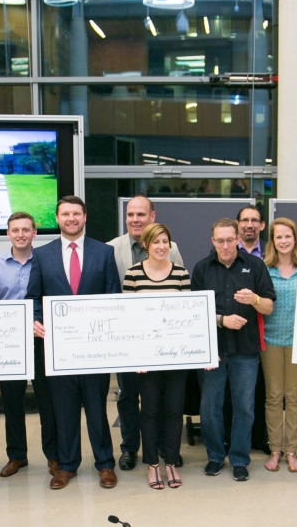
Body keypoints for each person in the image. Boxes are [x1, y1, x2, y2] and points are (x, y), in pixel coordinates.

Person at [27, 196, 122, 490]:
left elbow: (113, 299)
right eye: (65, 214)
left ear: (84, 217)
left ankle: (105, 464)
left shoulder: (103, 253)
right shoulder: (41, 255)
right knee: (64, 410)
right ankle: (66, 466)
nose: (71, 218)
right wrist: (36, 320)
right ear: (57, 218)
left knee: (96, 408)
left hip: (94, 349)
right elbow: (33, 298)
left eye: (76, 213)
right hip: (58, 350)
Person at [191, 218, 276, 482]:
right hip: (212, 351)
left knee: (244, 408)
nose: (226, 245)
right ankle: (215, 456)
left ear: (238, 239)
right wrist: (220, 320)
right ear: (212, 240)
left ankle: (239, 459)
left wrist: (255, 300)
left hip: (245, 352)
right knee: (210, 408)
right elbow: (193, 312)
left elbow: (269, 307)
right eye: (220, 240)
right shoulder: (202, 268)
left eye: (230, 240)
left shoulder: (255, 265)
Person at [106, 195, 185, 472]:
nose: (135, 219)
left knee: (160, 398)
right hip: (132, 343)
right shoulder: (111, 249)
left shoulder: (171, 248)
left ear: (152, 216)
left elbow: (182, 300)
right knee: (128, 395)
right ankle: (130, 448)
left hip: (165, 346)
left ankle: (164, 446)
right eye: (130, 215)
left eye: (141, 214)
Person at [0, 211, 58, 479]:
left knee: (46, 400)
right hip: (8, 344)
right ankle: (17, 455)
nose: (20, 234)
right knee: (12, 402)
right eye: (15, 230)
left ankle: (53, 455)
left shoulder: (46, 262)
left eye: (26, 230)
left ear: (34, 233)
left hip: (40, 340)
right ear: (8, 233)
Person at [122, 223, 191, 490]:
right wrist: (135, 356)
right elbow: (127, 318)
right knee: (149, 411)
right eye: (156, 242)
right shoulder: (133, 275)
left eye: (165, 241)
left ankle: (171, 461)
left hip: (176, 357)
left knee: (174, 411)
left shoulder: (181, 274)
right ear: (145, 245)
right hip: (146, 360)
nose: (162, 247)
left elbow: (189, 316)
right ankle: (152, 464)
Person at [261, 217, 297, 473]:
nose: (283, 241)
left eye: (288, 236)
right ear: (272, 241)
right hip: (270, 341)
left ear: (295, 239)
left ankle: (292, 450)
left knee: (294, 397)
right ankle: (275, 449)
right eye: (278, 237)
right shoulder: (264, 268)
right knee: (274, 397)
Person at [235, 205, 270, 454]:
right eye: (244, 220)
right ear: (238, 225)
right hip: (236, 334)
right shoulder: (225, 250)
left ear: (262, 225)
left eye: (254, 220)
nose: (249, 224)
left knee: (263, 391)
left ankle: (261, 437)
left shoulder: (272, 253)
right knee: (237, 393)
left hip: (268, 330)